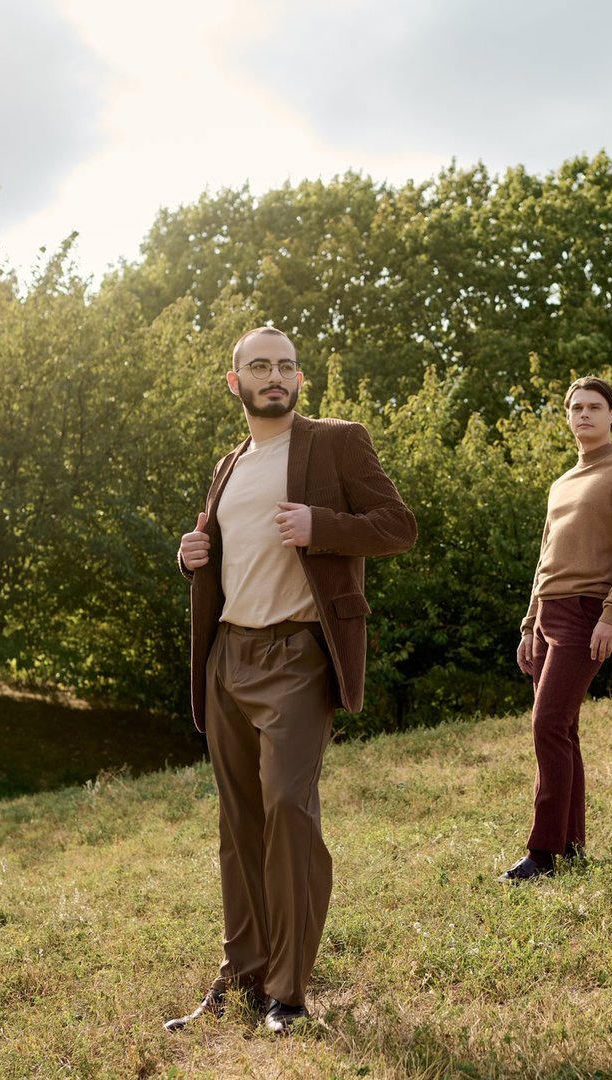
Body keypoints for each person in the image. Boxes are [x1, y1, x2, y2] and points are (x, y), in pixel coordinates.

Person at [166, 326, 416, 1034]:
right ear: (234, 382)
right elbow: (229, 553)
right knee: (238, 826)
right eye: (259, 366)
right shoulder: (228, 464)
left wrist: (321, 524)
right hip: (227, 658)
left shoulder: (335, 442)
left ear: (299, 380)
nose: (274, 376)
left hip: (298, 656)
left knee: (288, 810)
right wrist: (193, 557)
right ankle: (240, 978)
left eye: (285, 366)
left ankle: (289, 992)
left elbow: (398, 525)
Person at [503, 376, 612, 883]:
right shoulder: (562, 482)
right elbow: (546, 558)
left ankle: (543, 855)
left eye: (594, 407)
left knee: (546, 725)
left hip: (588, 612)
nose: (583, 415)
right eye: (575, 408)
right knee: (562, 730)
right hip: (547, 614)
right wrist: (528, 625)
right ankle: (570, 849)